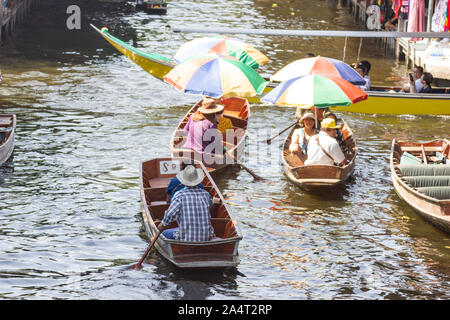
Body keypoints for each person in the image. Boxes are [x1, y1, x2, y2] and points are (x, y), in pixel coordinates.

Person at [158, 165, 214, 241]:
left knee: (164, 233)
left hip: (186, 238)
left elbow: (169, 215)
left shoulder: (179, 196)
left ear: (184, 180)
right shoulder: (206, 194)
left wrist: (162, 225)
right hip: (206, 237)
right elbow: (210, 205)